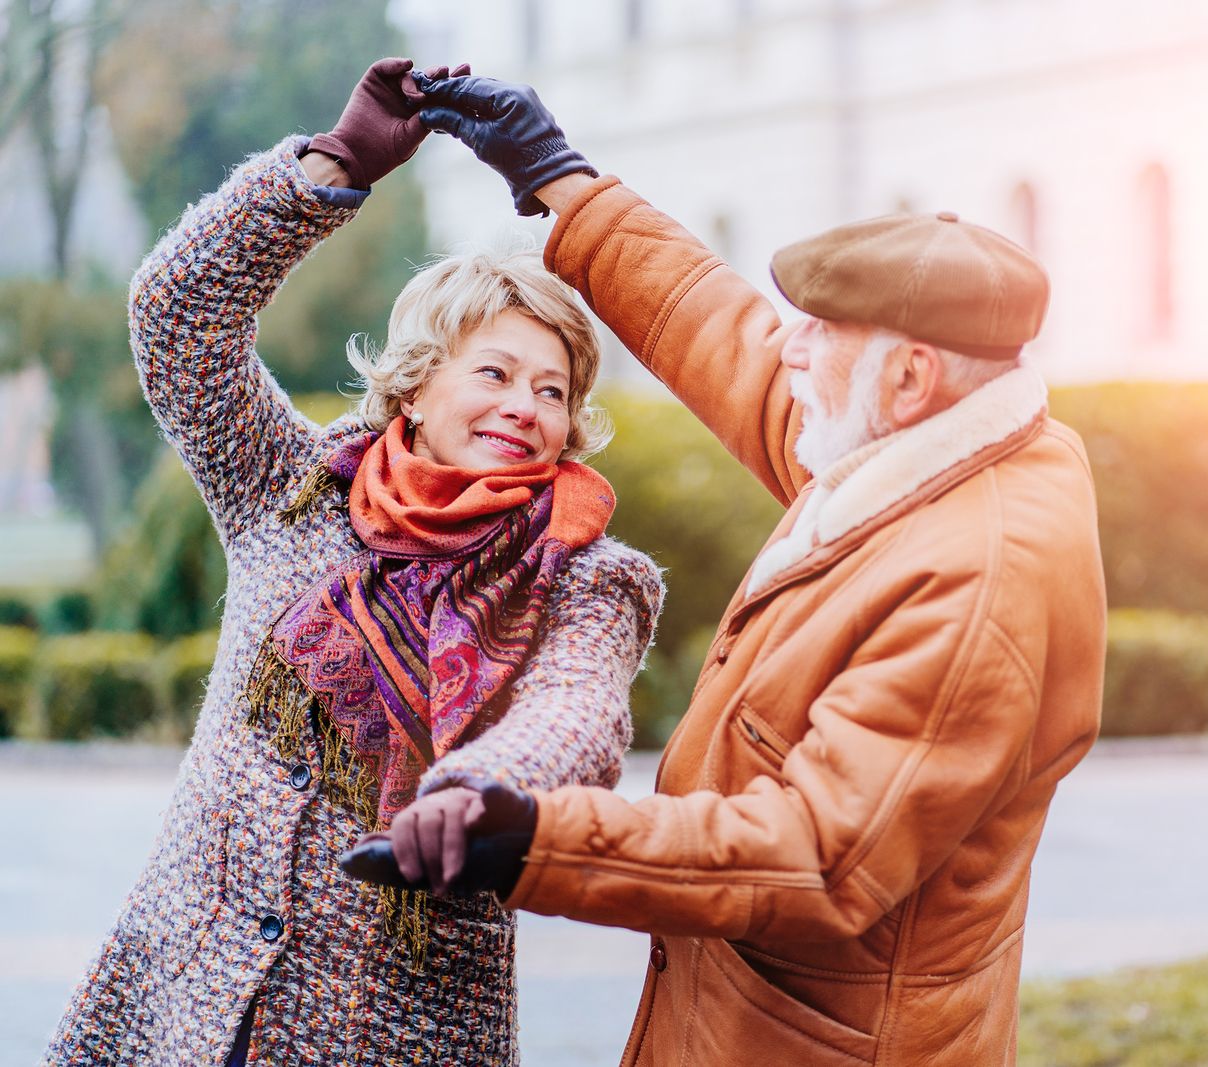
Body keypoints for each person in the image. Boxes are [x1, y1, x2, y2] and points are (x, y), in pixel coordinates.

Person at [361, 72, 1107, 1065]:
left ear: (910, 377)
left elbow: (817, 856)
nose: (786, 341)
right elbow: (735, 343)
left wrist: (535, 837)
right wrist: (560, 180)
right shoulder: (924, 438)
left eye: (820, 330)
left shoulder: (980, 580)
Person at [44, 59, 662, 1066]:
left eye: (552, 390)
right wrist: (328, 168)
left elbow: (576, 714)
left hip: (392, 1028)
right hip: (182, 1007)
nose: (525, 406)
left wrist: (475, 787)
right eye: (496, 372)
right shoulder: (291, 487)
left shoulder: (590, 575)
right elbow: (176, 320)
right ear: (415, 386)